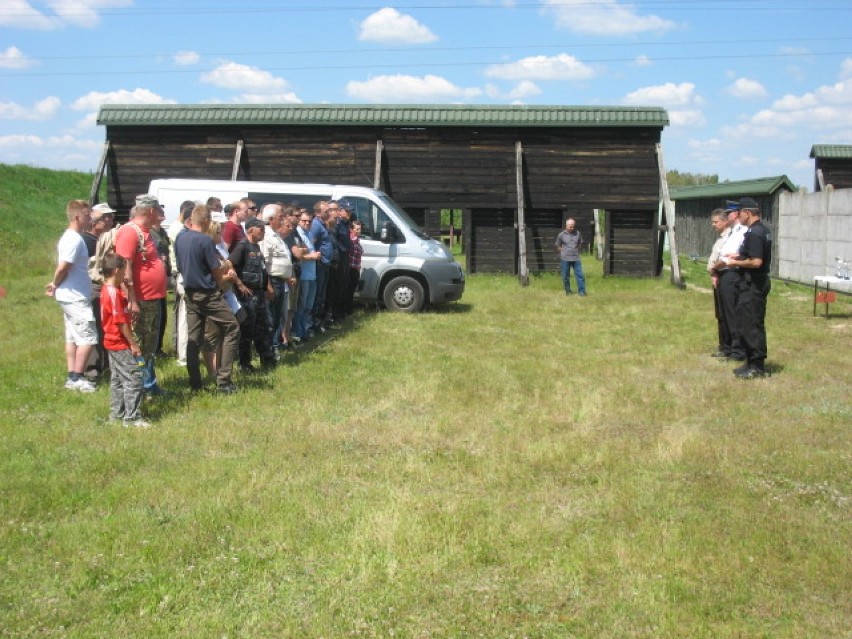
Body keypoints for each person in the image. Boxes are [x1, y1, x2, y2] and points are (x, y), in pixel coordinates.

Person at [174, 204, 240, 394]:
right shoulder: (205, 241)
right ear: (205, 221)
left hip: (190, 292)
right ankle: (224, 380)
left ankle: (195, 383)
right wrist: (225, 278)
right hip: (208, 293)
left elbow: (180, 265)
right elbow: (216, 272)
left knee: (194, 338)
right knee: (232, 327)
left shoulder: (181, 238)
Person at [115, 195, 168, 397]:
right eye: (159, 211)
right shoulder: (130, 232)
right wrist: (132, 300)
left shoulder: (146, 232)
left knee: (150, 344)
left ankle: (149, 383)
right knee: (141, 343)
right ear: (152, 211)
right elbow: (124, 269)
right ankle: (140, 387)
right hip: (141, 300)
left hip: (152, 298)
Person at [713, 197, 772, 378]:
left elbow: (756, 261)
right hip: (752, 282)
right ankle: (750, 363)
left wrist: (733, 262)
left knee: (752, 325)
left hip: (753, 283)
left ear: (747, 213)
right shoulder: (761, 230)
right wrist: (738, 255)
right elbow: (753, 255)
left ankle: (757, 366)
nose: (739, 216)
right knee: (746, 324)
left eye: (741, 213)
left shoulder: (754, 232)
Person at [45, 199, 98, 393]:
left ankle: (72, 376)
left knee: (72, 337)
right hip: (75, 296)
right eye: (86, 215)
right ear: (77, 217)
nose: (90, 218)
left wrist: (56, 284)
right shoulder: (75, 239)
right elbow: (64, 266)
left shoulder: (72, 237)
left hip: (70, 294)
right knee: (88, 338)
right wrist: (55, 283)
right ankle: (77, 377)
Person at [100, 253, 148, 427]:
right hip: (119, 342)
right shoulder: (111, 292)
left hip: (112, 341)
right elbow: (119, 322)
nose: (126, 276)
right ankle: (132, 417)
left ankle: (117, 414)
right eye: (123, 272)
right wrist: (133, 344)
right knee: (133, 378)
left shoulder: (110, 290)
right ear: (115, 271)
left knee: (118, 379)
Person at [229, 217, 276, 371]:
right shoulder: (242, 246)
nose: (263, 232)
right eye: (261, 229)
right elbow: (230, 266)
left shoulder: (256, 247)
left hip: (259, 294)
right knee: (247, 330)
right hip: (247, 296)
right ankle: (245, 363)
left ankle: (267, 358)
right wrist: (240, 285)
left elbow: (262, 269)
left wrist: (267, 286)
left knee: (263, 328)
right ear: (250, 229)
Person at [710, 202, 746, 361]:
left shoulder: (742, 231)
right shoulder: (733, 232)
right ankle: (727, 347)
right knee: (723, 314)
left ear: (736, 214)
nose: (727, 216)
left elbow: (731, 256)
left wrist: (717, 266)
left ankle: (737, 350)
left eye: (729, 213)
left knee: (732, 314)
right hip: (722, 274)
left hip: (732, 273)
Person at [83, 202, 116, 378]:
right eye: (105, 217)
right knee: (95, 326)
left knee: (106, 326)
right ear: (94, 221)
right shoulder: (86, 241)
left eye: (110, 216)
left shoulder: (104, 238)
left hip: (106, 286)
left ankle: (105, 365)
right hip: (93, 286)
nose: (110, 220)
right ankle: (92, 369)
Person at [260, 203, 295, 359]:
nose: (283, 220)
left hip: (280, 280)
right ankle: (268, 350)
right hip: (272, 281)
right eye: (280, 217)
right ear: (271, 219)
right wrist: (268, 286)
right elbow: (264, 263)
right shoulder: (266, 236)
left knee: (276, 318)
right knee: (270, 318)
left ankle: (272, 347)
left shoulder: (276, 236)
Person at [555, 217, 586, 296]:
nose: (572, 228)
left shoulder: (578, 233)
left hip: (576, 258)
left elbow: (580, 243)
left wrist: (576, 250)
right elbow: (558, 245)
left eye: (573, 226)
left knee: (580, 276)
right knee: (565, 276)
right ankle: (568, 291)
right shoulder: (561, 235)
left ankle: (582, 292)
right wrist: (563, 251)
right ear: (566, 226)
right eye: (570, 226)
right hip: (565, 259)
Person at [343, 218, 363, 317]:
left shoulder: (357, 240)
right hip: (351, 268)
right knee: (348, 291)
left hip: (356, 268)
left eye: (360, 229)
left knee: (351, 291)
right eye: (357, 229)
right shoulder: (351, 240)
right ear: (351, 230)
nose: (359, 231)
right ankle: (347, 311)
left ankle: (348, 310)